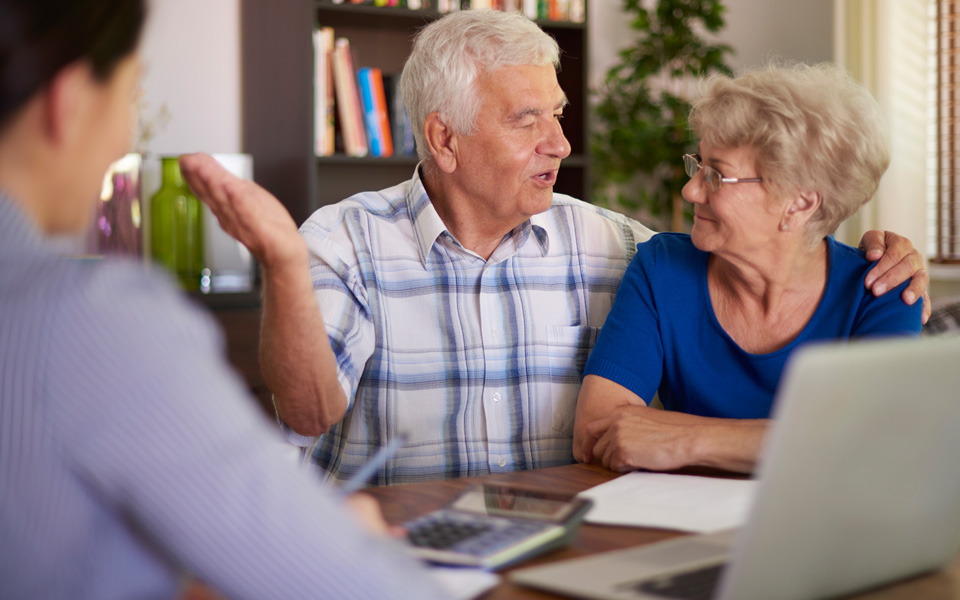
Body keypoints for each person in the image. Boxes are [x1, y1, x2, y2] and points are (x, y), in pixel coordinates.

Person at [181, 10, 929, 487]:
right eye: (527, 120)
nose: (561, 144)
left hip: (556, 547)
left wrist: (892, 249)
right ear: (443, 138)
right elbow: (308, 415)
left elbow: (764, 249)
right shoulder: (344, 242)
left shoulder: (612, 242)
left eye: (560, 114)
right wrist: (282, 263)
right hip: (389, 551)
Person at [0, 1, 448, 598]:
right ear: (69, 101)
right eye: (131, 98)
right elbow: (356, 584)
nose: (125, 139)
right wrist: (348, 540)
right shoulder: (89, 319)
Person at [573, 64, 923, 475]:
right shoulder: (662, 267)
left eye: (717, 175)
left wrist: (689, 439)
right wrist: (811, 441)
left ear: (799, 202)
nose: (690, 190)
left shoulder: (880, 289)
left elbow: (876, 448)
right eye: (698, 164)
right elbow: (596, 434)